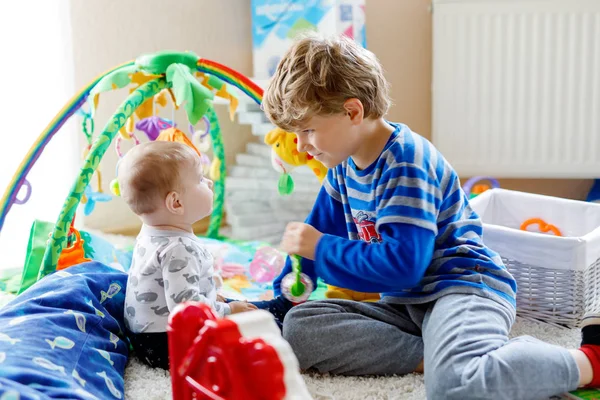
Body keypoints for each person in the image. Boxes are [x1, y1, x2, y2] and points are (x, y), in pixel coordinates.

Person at [262, 33, 600, 399]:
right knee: (299, 328)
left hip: (462, 288)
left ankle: (589, 360)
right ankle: (443, 356)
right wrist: (283, 303)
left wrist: (321, 248)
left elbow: (403, 264)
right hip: (407, 303)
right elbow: (313, 237)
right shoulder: (343, 168)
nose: (301, 146)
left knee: (455, 387)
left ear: (353, 112)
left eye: (308, 130)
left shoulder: (405, 163)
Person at [119, 140, 258, 369]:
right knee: (248, 332)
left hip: (144, 335)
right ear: (176, 202)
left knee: (240, 308)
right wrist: (228, 310)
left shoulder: (150, 233)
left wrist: (212, 296)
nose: (210, 183)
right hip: (168, 343)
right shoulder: (179, 248)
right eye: (200, 179)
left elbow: (172, 288)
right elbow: (186, 308)